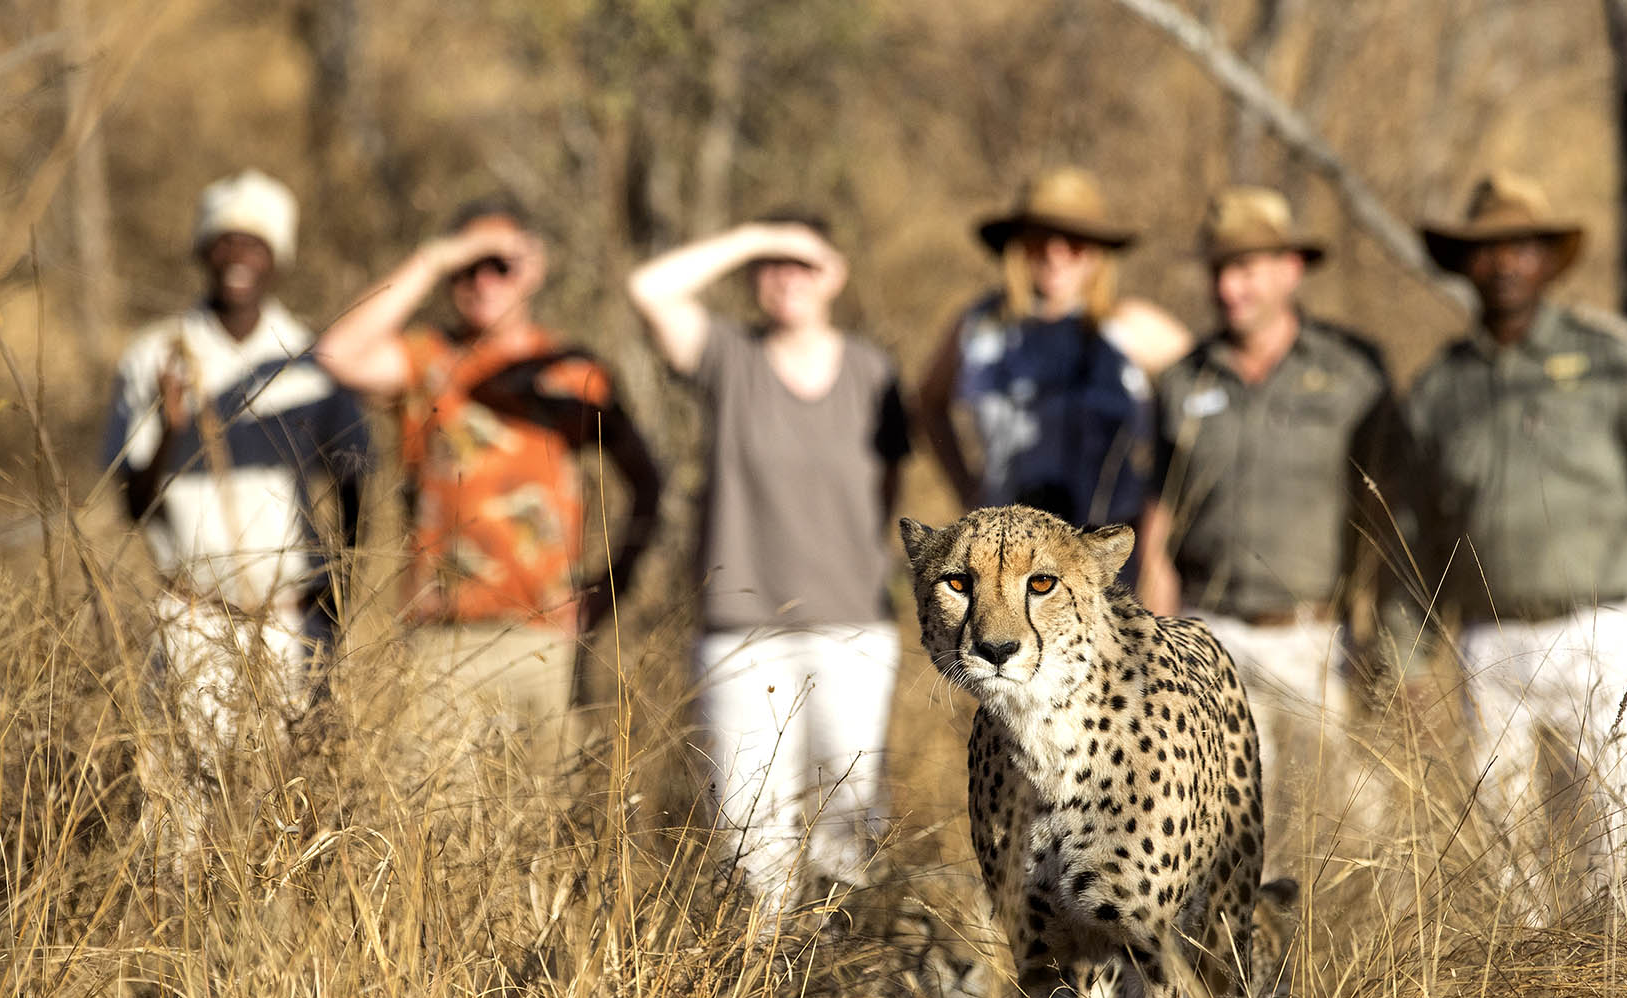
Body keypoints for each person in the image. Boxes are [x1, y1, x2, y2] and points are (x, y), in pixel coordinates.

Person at [1407, 169, 1627, 914]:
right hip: (1489, 646)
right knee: (1506, 868)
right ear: (1466, 263)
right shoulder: (1442, 388)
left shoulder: (1612, 362)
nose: (1504, 263)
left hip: (1602, 633)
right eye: (1487, 248)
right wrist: (1407, 655)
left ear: (1547, 259)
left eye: (1522, 246)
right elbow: (1422, 532)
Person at [626, 213, 909, 929]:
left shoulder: (874, 371)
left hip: (854, 628)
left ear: (836, 272)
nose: (787, 277)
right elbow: (648, 288)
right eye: (772, 266)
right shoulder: (728, 355)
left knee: (851, 818)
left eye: (804, 263)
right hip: (740, 632)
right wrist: (757, 236)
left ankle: (841, 982)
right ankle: (764, 990)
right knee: (750, 830)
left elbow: (889, 491)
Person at [315, 197, 661, 774]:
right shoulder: (427, 359)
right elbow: (336, 352)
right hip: (441, 641)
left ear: (535, 266)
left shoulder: (573, 369)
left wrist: (607, 592)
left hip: (546, 637)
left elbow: (648, 484)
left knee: (548, 830)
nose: (482, 280)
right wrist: (432, 257)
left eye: (499, 263)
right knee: (440, 833)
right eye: (466, 267)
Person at [1134, 186, 1411, 857]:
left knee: (1349, 833)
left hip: (1318, 638)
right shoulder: (1180, 382)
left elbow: (1390, 513)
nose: (1231, 288)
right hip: (1211, 634)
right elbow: (1158, 525)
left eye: (1248, 268)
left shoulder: (1353, 371)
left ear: (1291, 268)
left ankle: (1357, 960)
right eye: (1220, 270)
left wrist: (1385, 639)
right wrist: (1160, 646)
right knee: (1215, 832)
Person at [104, 168, 369, 861]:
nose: (238, 257)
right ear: (203, 251)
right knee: (180, 813)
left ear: (277, 256)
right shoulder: (156, 355)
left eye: (254, 242)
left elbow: (354, 481)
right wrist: (169, 423)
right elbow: (132, 503)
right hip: (194, 614)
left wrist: (337, 600)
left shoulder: (313, 361)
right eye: (224, 242)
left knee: (284, 813)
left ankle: (269, 960)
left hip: (289, 619)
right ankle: (178, 957)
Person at [917, 166, 1190, 535]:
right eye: (1038, 242)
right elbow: (928, 403)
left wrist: (1164, 507)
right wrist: (966, 488)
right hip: (1007, 548)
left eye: (1074, 244)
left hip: (1105, 544)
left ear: (1097, 254)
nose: (1055, 255)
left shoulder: (1130, 326)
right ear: (1016, 248)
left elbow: (1209, 401)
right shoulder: (978, 328)